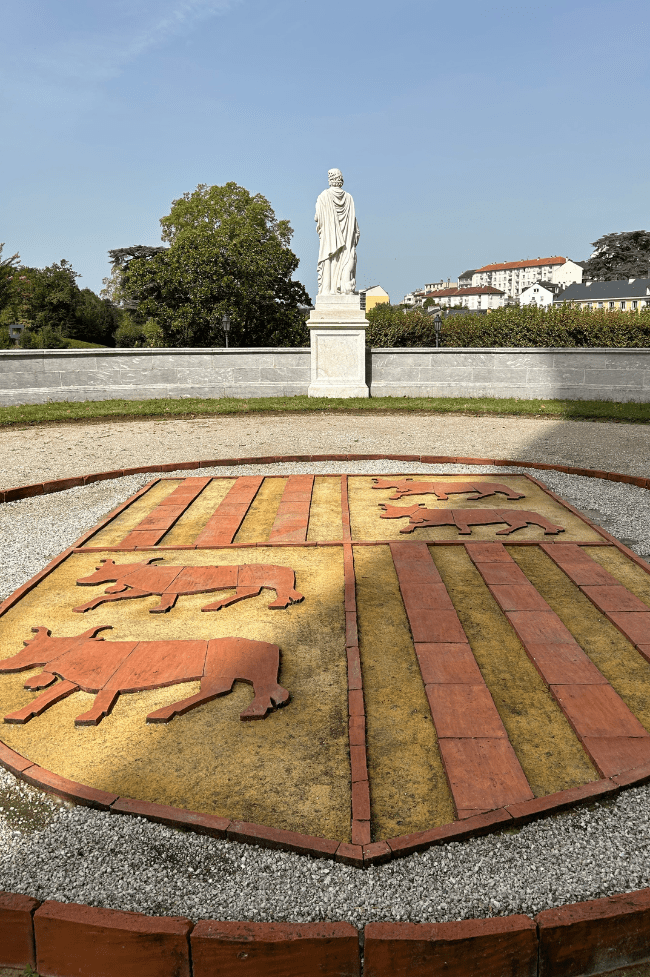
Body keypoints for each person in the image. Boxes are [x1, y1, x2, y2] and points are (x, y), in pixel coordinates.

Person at [315, 168, 360, 295]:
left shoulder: (323, 196)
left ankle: (328, 290)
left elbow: (317, 218)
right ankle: (343, 288)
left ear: (330, 179)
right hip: (346, 242)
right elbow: (354, 222)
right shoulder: (349, 198)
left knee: (329, 261)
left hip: (329, 239)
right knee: (346, 261)